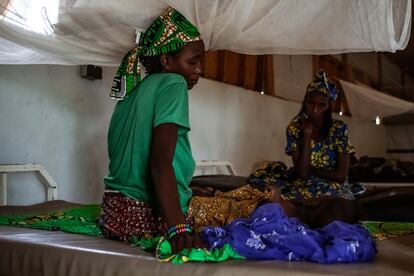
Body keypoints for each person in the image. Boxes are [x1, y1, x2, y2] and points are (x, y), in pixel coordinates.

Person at [99, 7, 205, 254]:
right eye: (193, 61)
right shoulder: (174, 83)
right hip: (147, 219)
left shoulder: (134, 89)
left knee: (209, 190)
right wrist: (178, 229)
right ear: (167, 60)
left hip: (114, 216)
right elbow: (159, 164)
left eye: (201, 61)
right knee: (260, 204)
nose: (200, 69)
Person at [284, 69, 355, 200]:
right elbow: (303, 175)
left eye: (321, 105)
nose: (315, 110)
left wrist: (308, 170)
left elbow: (340, 176)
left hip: (335, 188)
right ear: (305, 102)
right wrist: (307, 134)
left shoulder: (339, 129)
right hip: (304, 188)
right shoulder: (294, 129)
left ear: (328, 106)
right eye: (311, 103)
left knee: (336, 206)